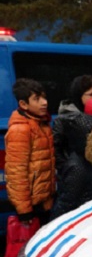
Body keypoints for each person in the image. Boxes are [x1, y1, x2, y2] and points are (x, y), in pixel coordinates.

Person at [5, 78, 55, 226]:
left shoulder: (42, 123)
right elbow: (16, 173)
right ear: (23, 104)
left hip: (44, 200)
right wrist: (24, 210)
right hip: (32, 205)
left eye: (44, 97)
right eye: (37, 99)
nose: (44, 102)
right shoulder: (20, 129)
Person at [52, 75, 92, 175]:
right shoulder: (66, 119)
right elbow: (56, 149)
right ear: (79, 96)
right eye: (91, 94)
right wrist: (69, 169)